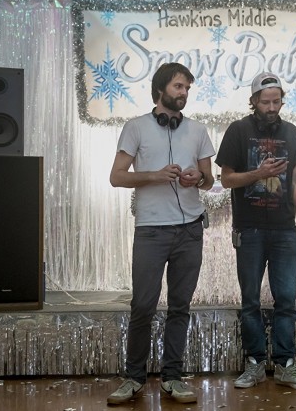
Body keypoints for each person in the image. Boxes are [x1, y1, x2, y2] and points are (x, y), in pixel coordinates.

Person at [107, 62, 215, 405]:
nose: (183, 93)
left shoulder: (197, 130)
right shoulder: (136, 127)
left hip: (190, 230)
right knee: (143, 305)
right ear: (160, 89)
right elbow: (117, 177)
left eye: (187, 88)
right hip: (151, 230)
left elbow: (209, 180)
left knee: (180, 306)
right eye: (178, 87)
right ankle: (134, 378)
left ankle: (172, 377)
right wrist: (154, 175)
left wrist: (197, 178)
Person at [215, 72, 296, 391]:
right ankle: (254, 363)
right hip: (250, 230)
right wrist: (259, 173)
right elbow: (226, 179)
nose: (271, 108)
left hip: (285, 230)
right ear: (254, 101)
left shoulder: (291, 132)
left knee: (286, 300)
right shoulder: (238, 130)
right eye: (265, 102)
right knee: (250, 301)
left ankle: (285, 365)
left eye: (276, 101)